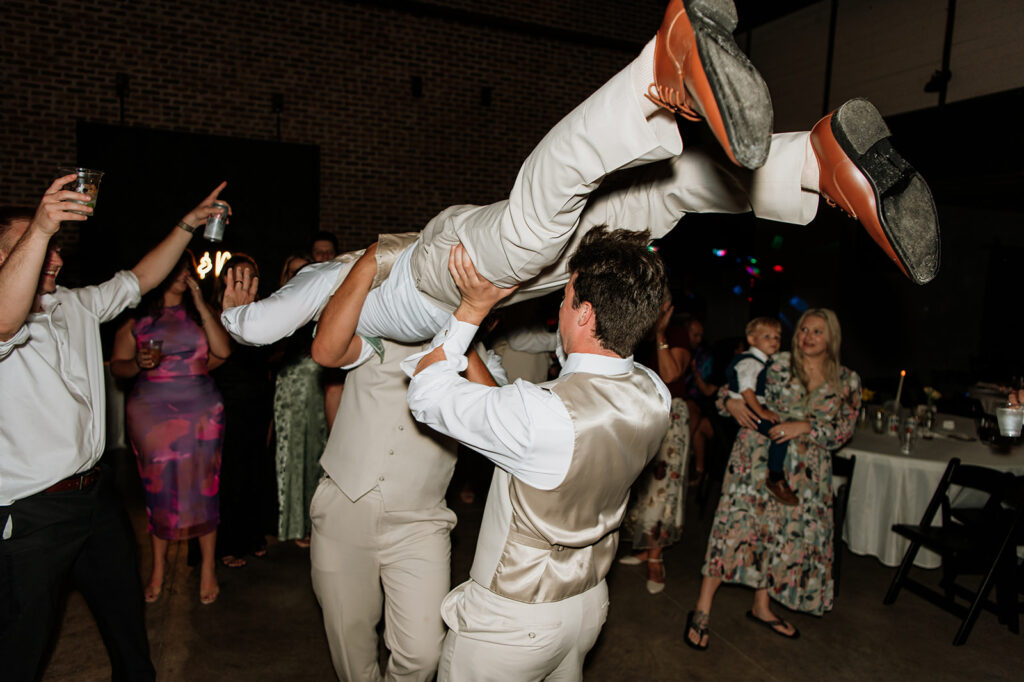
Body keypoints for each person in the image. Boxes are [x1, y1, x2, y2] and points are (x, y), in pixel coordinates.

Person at [220, 0, 940, 358]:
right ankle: (817, 165)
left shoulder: (324, 289)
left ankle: (656, 72)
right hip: (486, 294)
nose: (296, 278)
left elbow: (288, 336)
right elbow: (358, 356)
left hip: (432, 269)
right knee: (654, 203)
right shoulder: (372, 351)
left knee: (526, 238)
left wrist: (230, 312)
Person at [396, 229, 669, 680]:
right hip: (587, 604)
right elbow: (538, 424)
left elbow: (426, 393)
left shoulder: (544, 415)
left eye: (564, 297)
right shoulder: (653, 392)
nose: (558, 307)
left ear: (584, 314)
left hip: (514, 620)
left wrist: (471, 309)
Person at [0, 178, 228, 681]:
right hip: (32, 515)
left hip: (95, 498)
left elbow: (142, 278)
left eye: (57, 246)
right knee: (21, 646)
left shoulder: (76, 304)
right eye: (39, 246)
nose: (54, 257)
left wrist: (188, 224)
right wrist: (37, 228)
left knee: (127, 624)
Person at [307, 248, 501, 681]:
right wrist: (368, 263)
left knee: (424, 654)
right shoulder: (382, 326)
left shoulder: (480, 360)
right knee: (349, 641)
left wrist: (461, 338)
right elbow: (324, 350)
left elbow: (493, 419)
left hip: (421, 520)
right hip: (345, 507)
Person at [685, 308, 861, 651]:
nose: (807, 336)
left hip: (805, 475)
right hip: (755, 461)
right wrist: (732, 403)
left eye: (817, 332)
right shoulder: (774, 363)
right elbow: (726, 390)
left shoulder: (848, 381)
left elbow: (843, 430)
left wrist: (805, 426)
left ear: (831, 339)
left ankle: (761, 607)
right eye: (803, 330)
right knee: (733, 530)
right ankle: (701, 609)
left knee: (778, 537)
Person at [110, 251, 232, 605]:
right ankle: (158, 569)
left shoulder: (200, 313)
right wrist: (136, 362)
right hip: (153, 412)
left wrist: (199, 301)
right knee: (159, 491)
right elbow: (118, 367)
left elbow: (222, 351)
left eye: (186, 268)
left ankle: (208, 567)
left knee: (205, 488)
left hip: (201, 411)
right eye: (174, 267)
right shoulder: (137, 319)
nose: (182, 273)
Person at [619, 296, 692, 594]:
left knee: (664, 488)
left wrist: (661, 334)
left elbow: (672, 374)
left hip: (671, 415)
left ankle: (656, 558)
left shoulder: (676, 334)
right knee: (639, 485)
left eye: (664, 304)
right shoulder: (636, 332)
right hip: (641, 412)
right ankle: (644, 548)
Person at [211, 254, 276, 567]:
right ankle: (227, 542)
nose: (244, 281)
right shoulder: (213, 312)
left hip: (256, 398)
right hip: (225, 399)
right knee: (228, 473)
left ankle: (252, 535)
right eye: (238, 275)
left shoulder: (264, 311)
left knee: (254, 468)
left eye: (250, 275)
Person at [272, 252, 327, 547]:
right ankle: (293, 523)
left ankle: (317, 523)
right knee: (291, 455)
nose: (298, 277)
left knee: (321, 454)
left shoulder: (326, 308)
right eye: (292, 272)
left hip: (320, 386)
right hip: (290, 390)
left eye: (304, 271)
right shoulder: (278, 309)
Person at [724, 316, 791, 504]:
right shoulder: (751, 361)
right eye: (767, 336)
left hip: (752, 405)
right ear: (752, 340)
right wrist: (761, 412)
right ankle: (775, 475)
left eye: (777, 337)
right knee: (779, 433)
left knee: (778, 432)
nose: (774, 341)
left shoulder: (761, 361)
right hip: (748, 407)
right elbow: (746, 390)